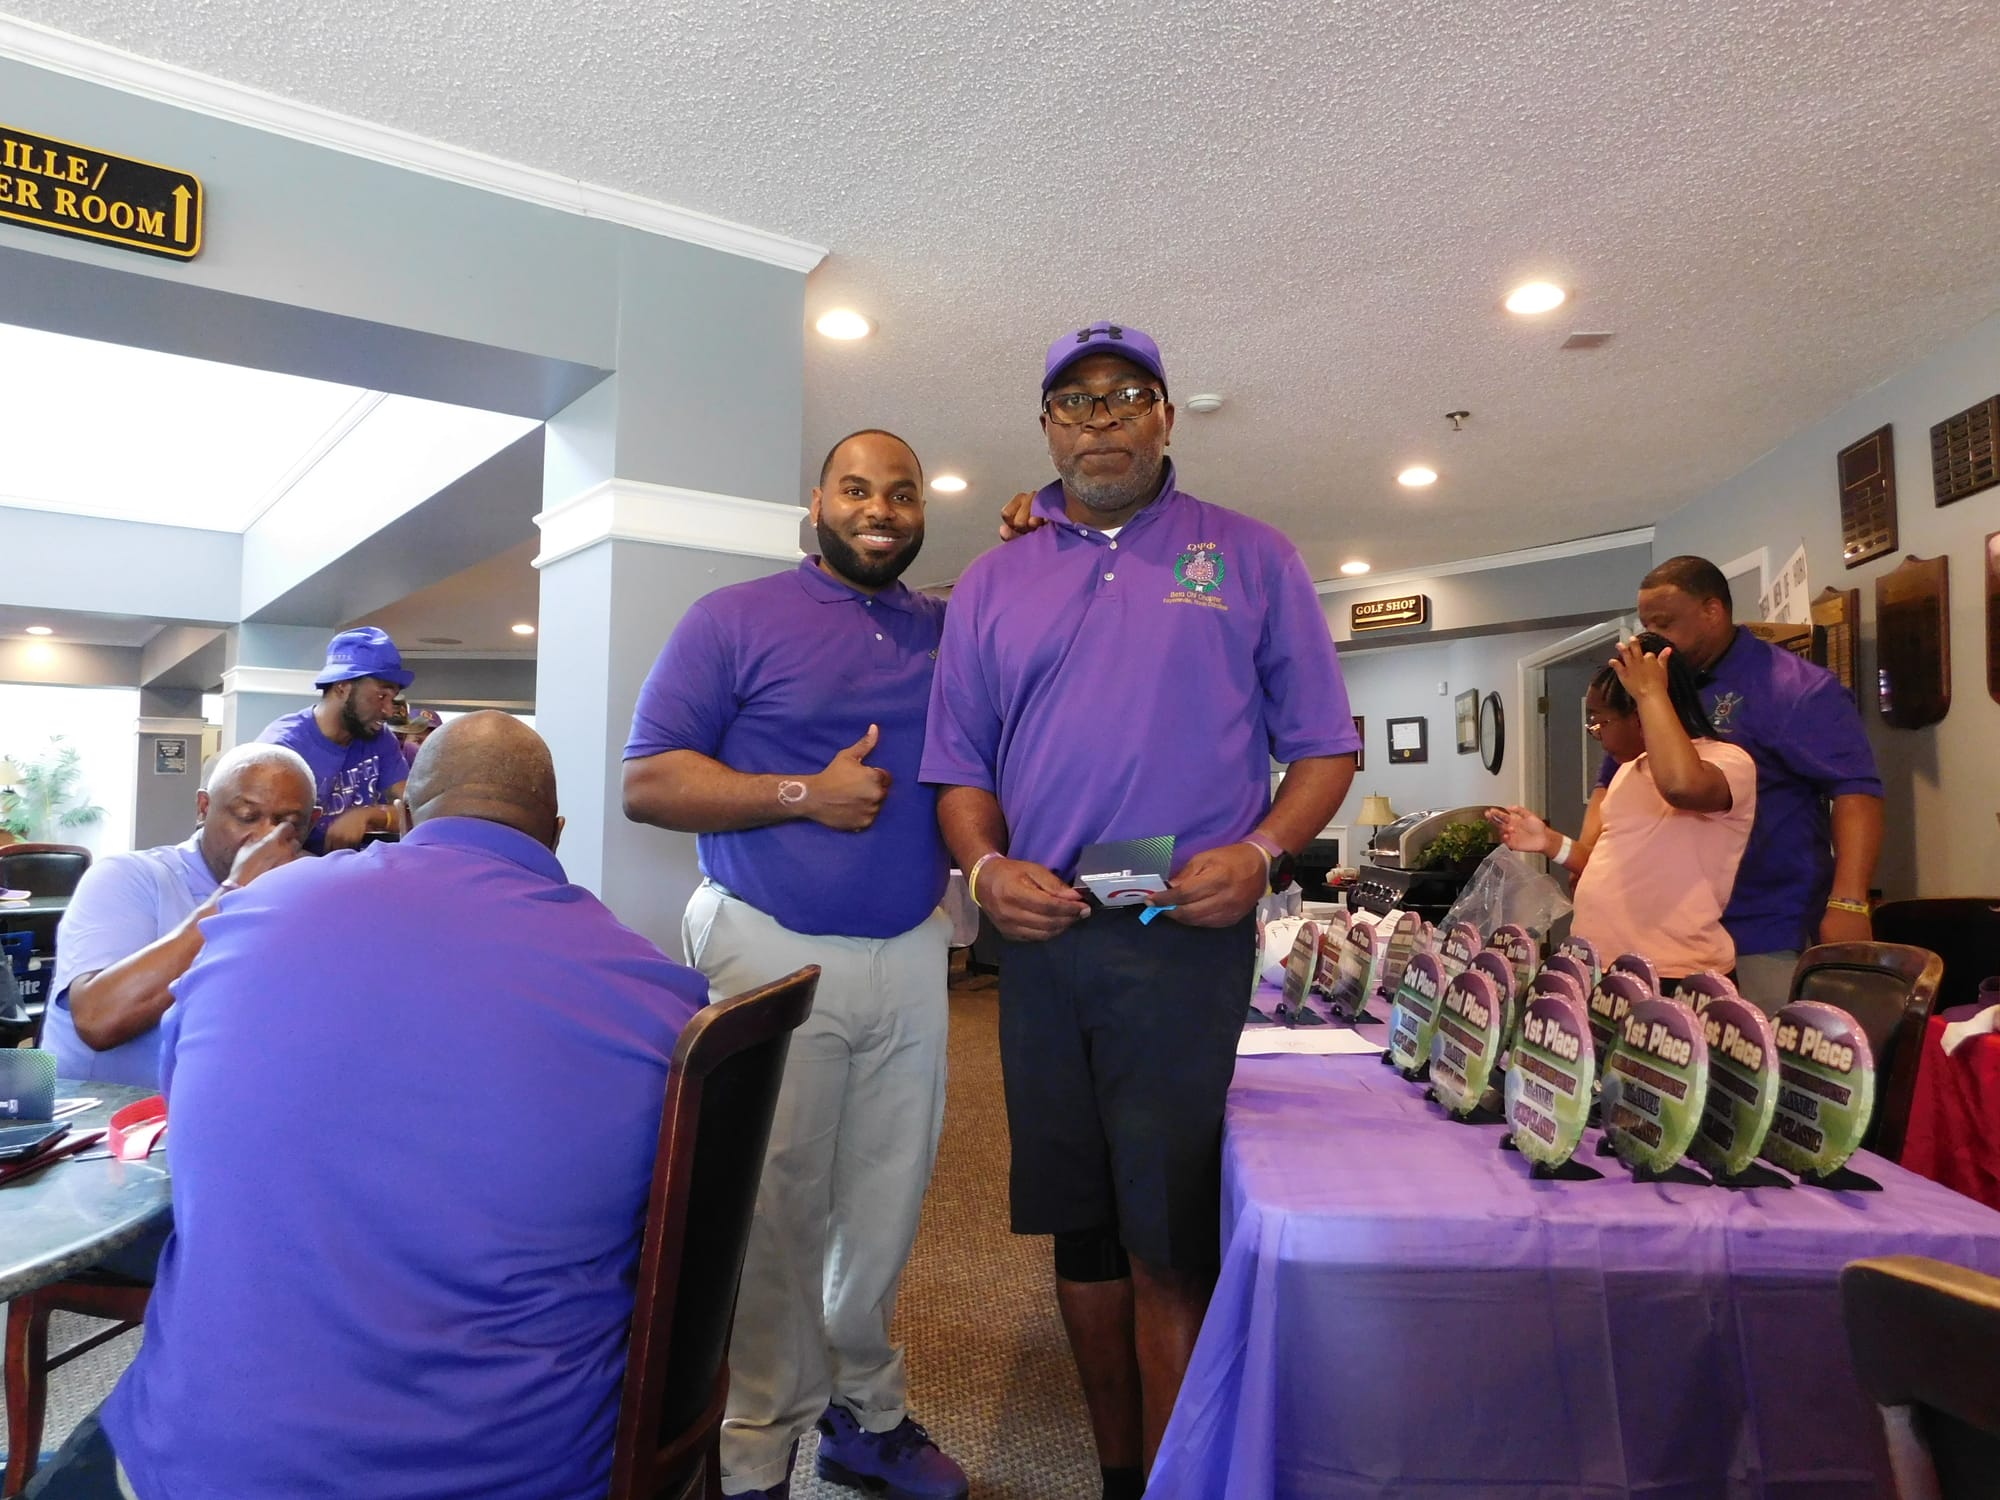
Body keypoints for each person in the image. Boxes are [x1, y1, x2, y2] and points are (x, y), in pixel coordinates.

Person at [26, 713, 706, 1500]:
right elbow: (668, 1252)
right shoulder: (664, 997)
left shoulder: (249, 918)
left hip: (223, 1466)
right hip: (525, 1472)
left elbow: (194, 1127)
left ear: (407, 815)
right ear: (555, 833)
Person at [920, 321, 1359, 1496]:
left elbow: (1323, 746)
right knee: (1079, 1225)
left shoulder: (1248, 556)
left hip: (1180, 931)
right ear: (1046, 428)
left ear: (1166, 415)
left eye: (1126, 396)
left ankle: (1179, 1477)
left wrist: (1262, 852)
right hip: (1043, 934)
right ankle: (1122, 1473)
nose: (1100, 418)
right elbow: (957, 767)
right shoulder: (992, 581)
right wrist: (983, 871)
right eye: (1074, 401)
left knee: (1167, 1230)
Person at [623, 429, 965, 1500]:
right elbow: (649, 783)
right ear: (816, 505)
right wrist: (803, 794)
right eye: (856, 489)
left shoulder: (945, 629)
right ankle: (754, 1449)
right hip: (770, 947)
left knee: (886, 1200)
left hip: (910, 949)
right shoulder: (732, 618)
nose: (879, 510)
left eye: (901, 494)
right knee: (774, 1209)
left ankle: (864, 1415)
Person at [1600, 555, 1883, 1009]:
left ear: (1712, 611)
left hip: (1762, 922)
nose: (1650, 636)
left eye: (1664, 623)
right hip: (1660, 930)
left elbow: (1856, 791)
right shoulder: (1654, 690)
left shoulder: (1797, 688)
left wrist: (1848, 902)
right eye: (1646, 623)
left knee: (1765, 1046)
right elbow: (1613, 780)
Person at [1489, 634, 1757, 986]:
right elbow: (1605, 865)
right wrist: (1549, 842)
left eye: (1601, 722)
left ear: (1638, 716)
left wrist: (1650, 694)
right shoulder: (1628, 772)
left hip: (1673, 973)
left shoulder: (1729, 762)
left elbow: (1681, 787)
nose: (1597, 734)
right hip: (1597, 965)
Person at [43, 743, 315, 1087]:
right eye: (247, 816)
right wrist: (235, 892)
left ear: (312, 824)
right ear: (204, 808)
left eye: (287, 825)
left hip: (224, 1102)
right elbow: (99, 1020)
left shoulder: (307, 894)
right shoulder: (128, 877)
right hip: (103, 1110)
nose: (265, 839)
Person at [256, 625, 413, 851]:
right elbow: (264, 845)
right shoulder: (283, 749)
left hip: (351, 866)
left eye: (393, 698)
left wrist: (370, 815)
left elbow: (417, 811)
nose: (389, 711)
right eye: (381, 696)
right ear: (343, 687)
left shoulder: (380, 738)